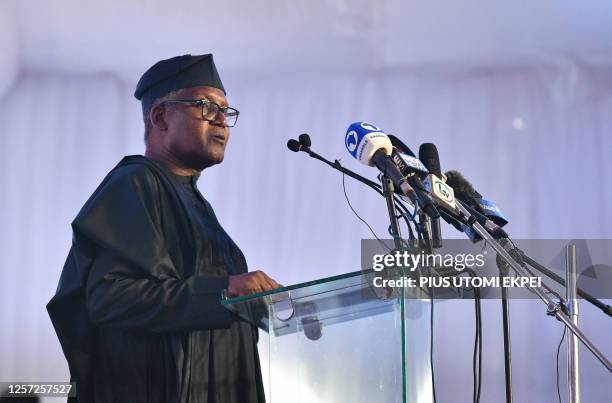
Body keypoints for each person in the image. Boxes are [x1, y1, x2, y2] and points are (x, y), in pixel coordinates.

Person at [47, 54, 280, 403]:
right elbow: (111, 298)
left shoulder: (198, 205)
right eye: (206, 106)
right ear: (160, 117)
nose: (221, 122)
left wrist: (262, 307)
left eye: (226, 112)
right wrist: (226, 291)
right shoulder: (136, 182)